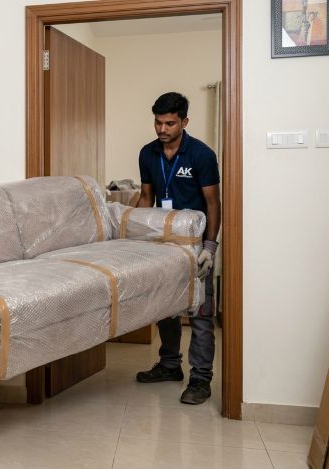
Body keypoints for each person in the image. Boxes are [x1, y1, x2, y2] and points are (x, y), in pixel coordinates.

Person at [134, 92, 221, 405]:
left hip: (196, 245)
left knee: (200, 311)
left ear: (184, 122)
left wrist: (210, 247)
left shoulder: (201, 154)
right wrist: (133, 236)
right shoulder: (148, 153)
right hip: (164, 242)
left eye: (169, 123)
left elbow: (213, 202)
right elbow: (147, 197)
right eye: (158, 122)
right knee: (166, 306)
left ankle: (201, 378)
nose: (162, 129)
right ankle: (170, 365)